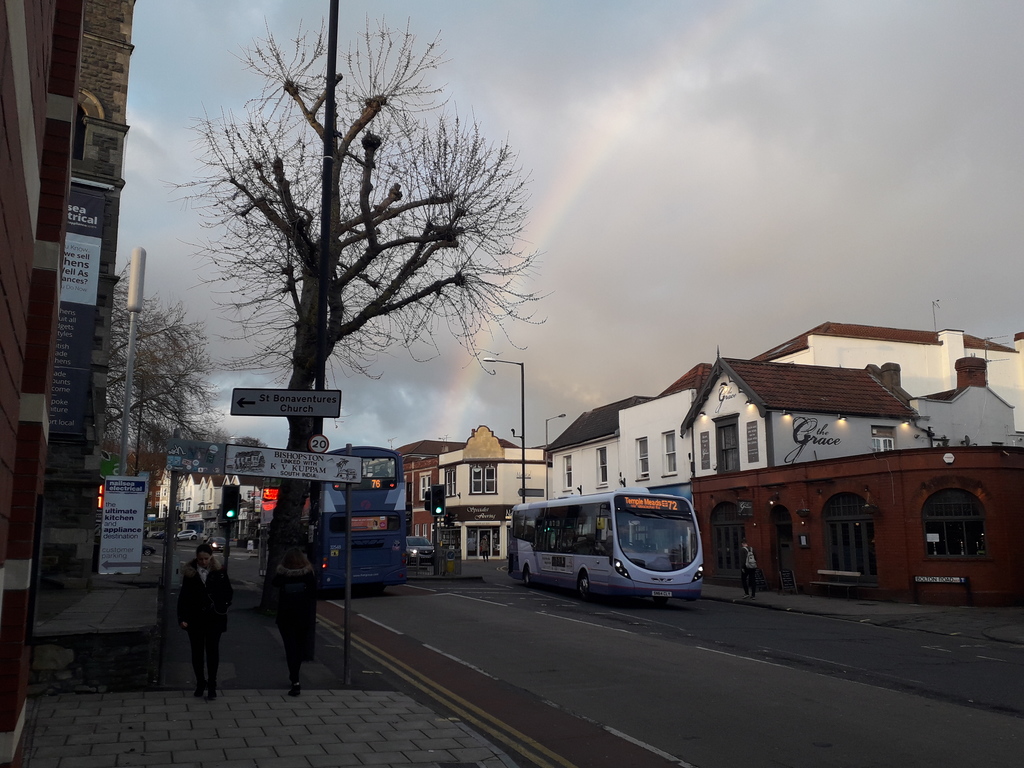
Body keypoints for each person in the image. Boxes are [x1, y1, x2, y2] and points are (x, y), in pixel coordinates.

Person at [177, 543, 233, 700]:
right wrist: (182, 618)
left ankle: (212, 685)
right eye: (200, 559)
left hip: (214, 617)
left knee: (212, 652)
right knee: (197, 653)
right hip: (195, 618)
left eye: (206, 559)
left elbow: (228, 592)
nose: (203, 562)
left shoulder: (219, 572)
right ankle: (201, 683)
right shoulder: (190, 574)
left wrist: (222, 605)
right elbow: (184, 597)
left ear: (211, 558)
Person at [272, 547, 317, 696]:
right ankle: (295, 677)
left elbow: (275, 583)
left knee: (290, 649)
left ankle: (295, 679)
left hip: (285, 617)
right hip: (303, 617)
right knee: (299, 648)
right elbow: (313, 593)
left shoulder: (283, 575)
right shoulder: (308, 574)